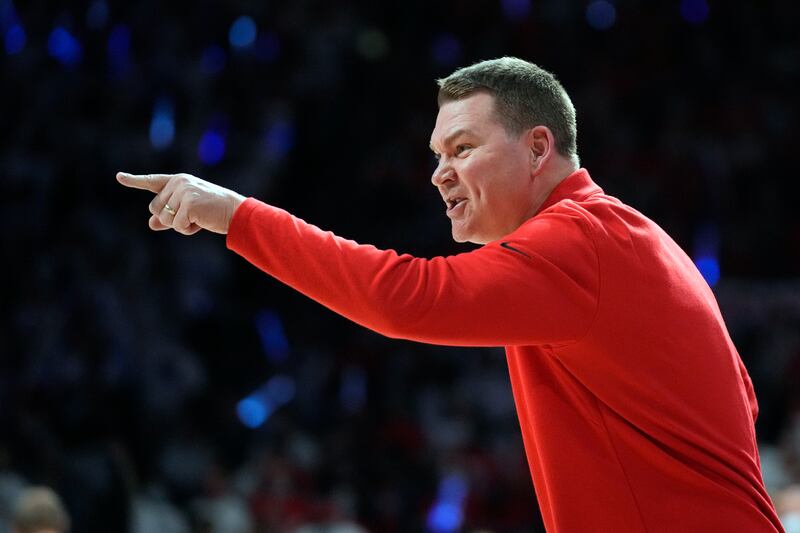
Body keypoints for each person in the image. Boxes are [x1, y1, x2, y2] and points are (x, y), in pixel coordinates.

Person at [117, 57, 784, 532]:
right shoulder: (628, 237)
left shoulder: (577, 241)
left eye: (462, 149)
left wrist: (234, 215)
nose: (439, 174)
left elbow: (405, 297)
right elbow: (740, 400)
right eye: (437, 155)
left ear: (538, 148)